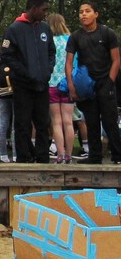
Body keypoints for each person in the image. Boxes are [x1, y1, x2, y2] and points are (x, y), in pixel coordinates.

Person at [0, 0, 55, 164]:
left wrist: (48, 70)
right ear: (34, 8)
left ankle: (43, 156)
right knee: (22, 123)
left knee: (43, 122)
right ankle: (24, 158)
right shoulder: (14, 29)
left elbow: (51, 52)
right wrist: (24, 72)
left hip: (42, 84)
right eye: (43, 10)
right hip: (22, 85)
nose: (45, 13)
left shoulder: (45, 29)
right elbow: (6, 55)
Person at [66, 1, 121, 165]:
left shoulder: (107, 33)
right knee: (91, 122)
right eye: (81, 11)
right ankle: (95, 156)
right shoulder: (75, 36)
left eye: (87, 11)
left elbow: (116, 60)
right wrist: (71, 85)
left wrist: (109, 82)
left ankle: (118, 156)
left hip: (105, 81)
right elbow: (69, 62)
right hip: (86, 85)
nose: (83, 14)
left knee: (110, 121)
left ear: (96, 14)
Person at [47, 12, 75, 164]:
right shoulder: (70, 40)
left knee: (56, 121)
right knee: (68, 121)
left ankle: (60, 154)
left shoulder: (48, 41)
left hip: (51, 84)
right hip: (67, 83)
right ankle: (69, 155)